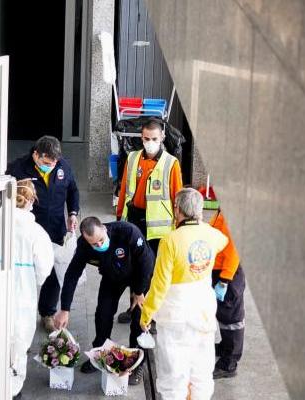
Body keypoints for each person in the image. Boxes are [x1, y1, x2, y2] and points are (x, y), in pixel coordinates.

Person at [0, 179, 55, 400]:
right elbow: (44, 267)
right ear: (31, 201)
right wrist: (33, 281)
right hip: (23, 293)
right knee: (18, 343)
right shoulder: (36, 232)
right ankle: (11, 390)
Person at [140, 188, 228, 400]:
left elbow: (160, 285)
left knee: (174, 372)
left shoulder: (170, 240)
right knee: (201, 371)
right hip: (203, 311)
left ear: (176, 209)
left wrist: (146, 315)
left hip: (175, 314)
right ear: (199, 211)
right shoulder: (212, 234)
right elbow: (224, 241)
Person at [53, 217, 155, 386]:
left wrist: (138, 292)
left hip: (139, 273)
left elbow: (147, 262)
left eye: (101, 240)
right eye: (94, 244)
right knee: (103, 313)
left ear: (104, 229)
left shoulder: (128, 232)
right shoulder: (84, 246)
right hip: (112, 275)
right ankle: (100, 352)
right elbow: (72, 275)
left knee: (139, 318)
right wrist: (64, 309)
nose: (99, 245)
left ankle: (137, 360)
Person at [5, 136, 79, 332]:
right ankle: (18, 320)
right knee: (25, 273)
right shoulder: (18, 169)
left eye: (54, 164)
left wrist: (72, 213)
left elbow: (73, 190)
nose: (51, 167)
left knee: (54, 273)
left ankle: (47, 312)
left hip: (55, 228)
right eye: (47, 163)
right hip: (27, 230)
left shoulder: (63, 166)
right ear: (36, 155)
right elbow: (4, 195)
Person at [116, 118, 183, 324]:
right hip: (134, 218)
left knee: (152, 271)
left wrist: (179, 227)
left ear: (162, 137)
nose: (150, 142)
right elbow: (124, 189)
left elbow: (177, 196)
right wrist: (120, 217)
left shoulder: (171, 163)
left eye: (154, 138)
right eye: (146, 138)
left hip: (158, 227)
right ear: (141, 137)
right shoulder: (133, 158)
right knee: (133, 266)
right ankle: (134, 308)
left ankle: (150, 316)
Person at [208, 209, 246, 380]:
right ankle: (225, 347)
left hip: (227, 273)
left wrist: (224, 280)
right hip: (219, 270)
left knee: (231, 319)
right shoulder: (223, 210)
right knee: (223, 314)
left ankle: (229, 363)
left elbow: (234, 250)